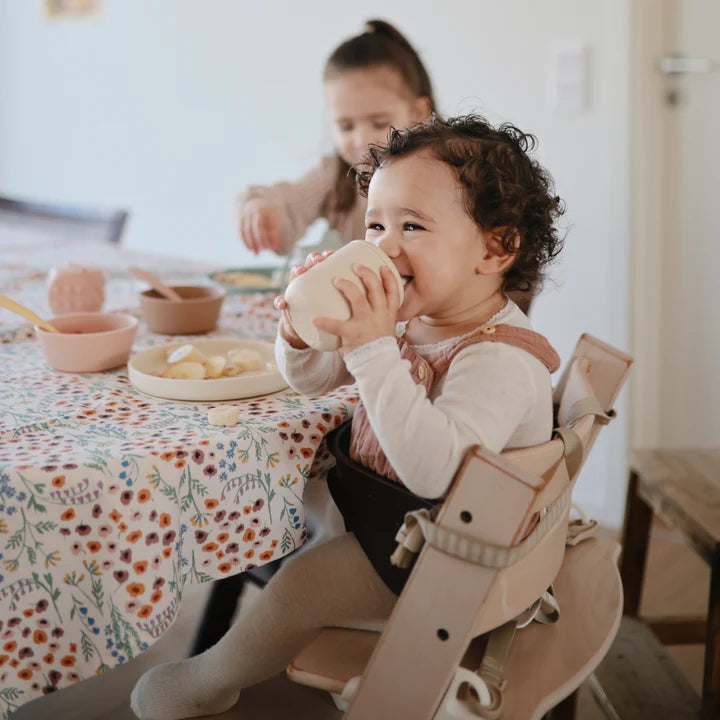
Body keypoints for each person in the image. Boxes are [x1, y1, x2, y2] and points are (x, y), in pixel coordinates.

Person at [131, 113, 564, 720]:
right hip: (388, 515)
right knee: (272, 489)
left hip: (447, 556)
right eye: (377, 224)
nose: (385, 245)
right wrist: (302, 335)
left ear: (497, 247)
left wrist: (370, 348)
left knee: (301, 585)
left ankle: (211, 679)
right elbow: (310, 381)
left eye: (412, 225)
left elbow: (435, 472)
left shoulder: (499, 358)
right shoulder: (423, 314)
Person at [236, 19, 435, 256]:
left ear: (418, 113)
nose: (361, 140)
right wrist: (259, 207)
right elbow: (288, 202)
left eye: (379, 123)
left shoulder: (444, 176)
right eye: (346, 126)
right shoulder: (334, 176)